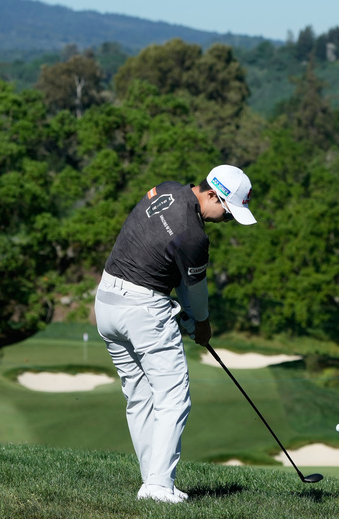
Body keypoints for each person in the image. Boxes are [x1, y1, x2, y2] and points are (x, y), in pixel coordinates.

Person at [94, 164, 257, 504]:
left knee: (139, 397)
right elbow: (195, 292)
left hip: (106, 302)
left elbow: (168, 264)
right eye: (227, 213)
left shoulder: (166, 189)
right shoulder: (194, 235)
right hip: (142, 309)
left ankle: (153, 483)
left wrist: (186, 315)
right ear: (213, 195)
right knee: (173, 397)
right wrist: (202, 323)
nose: (225, 221)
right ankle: (157, 486)